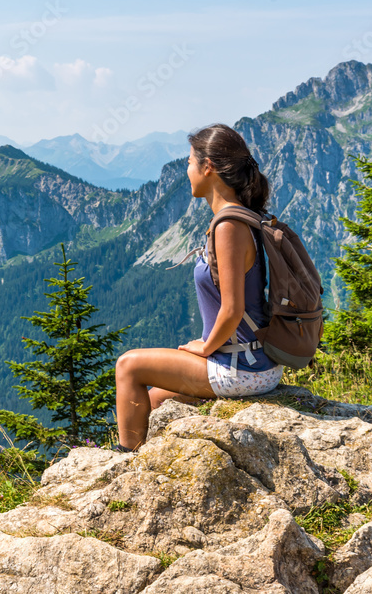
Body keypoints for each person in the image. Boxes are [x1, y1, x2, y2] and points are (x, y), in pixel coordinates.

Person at [114, 123, 283, 451]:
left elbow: (233, 310)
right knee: (154, 401)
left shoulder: (229, 226)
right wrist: (209, 343)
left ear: (208, 168)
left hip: (240, 368)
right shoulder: (239, 217)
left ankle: (123, 464)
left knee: (128, 366)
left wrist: (206, 348)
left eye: (190, 163)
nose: (187, 170)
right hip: (249, 361)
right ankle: (140, 459)